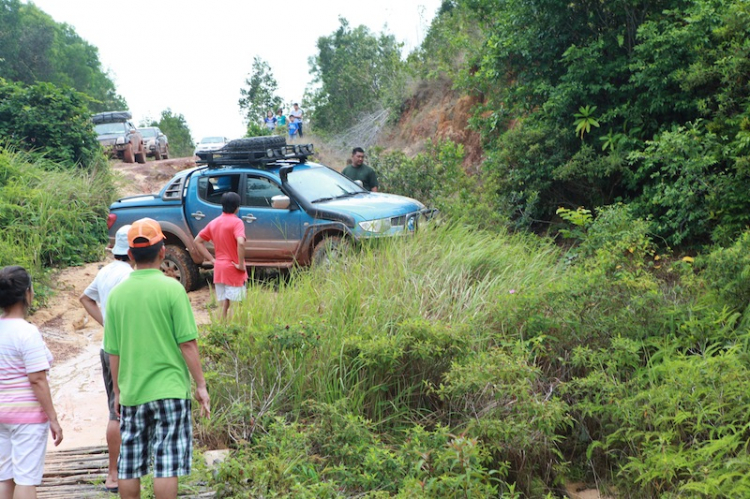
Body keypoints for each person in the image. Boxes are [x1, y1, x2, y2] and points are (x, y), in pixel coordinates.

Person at [104, 218, 210, 499]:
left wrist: (117, 391)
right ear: (163, 252)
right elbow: (187, 344)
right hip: (170, 389)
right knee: (166, 466)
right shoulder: (173, 289)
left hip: (133, 391)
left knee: (129, 465)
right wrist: (201, 385)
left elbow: (112, 351)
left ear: (130, 256)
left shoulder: (117, 296)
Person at [79, 224, 134, 494]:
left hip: (107, 348)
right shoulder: (130, 276)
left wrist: (107, 326)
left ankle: (113, 474)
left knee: (116, 410)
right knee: (132, 409)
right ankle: (127, 473)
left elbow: (85, 299)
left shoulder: (105, 273)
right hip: (129, 349)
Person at [0, 266, 63, 499]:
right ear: (27, 293)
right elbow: (37, 379)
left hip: (1, 414)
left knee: (4, 476)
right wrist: (53, 419)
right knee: (26, 478)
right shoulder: (27, 332)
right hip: (26, 416)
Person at [193, 192, 248, 320]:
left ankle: (222, 330)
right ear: (237, 207)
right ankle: (235, 332)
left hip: (219, 268)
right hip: (233, 269)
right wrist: (240, 264)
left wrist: (212, 259)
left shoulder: (214, 223)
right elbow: (240, 242)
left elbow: (197, 241)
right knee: (236, 305)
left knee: (224, 304)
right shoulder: (237, 222)